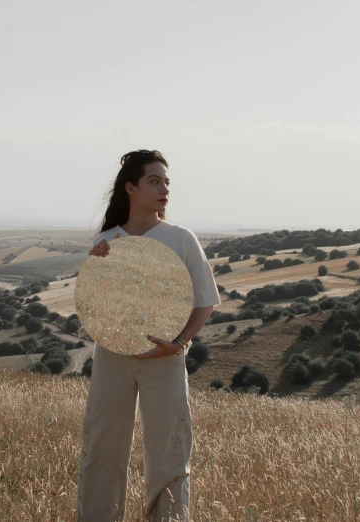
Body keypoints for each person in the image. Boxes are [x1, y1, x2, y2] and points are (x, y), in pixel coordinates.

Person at [76, 150, 222, 522]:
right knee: (102, 449)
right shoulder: (107, 240)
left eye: (167, 182)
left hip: (166, 359)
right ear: (131, 188)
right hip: (112, 356)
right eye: (154, 181)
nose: (164, 189)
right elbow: (93, 305)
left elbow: (204, 302)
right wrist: (95, 265)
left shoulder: (181, 238)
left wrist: (179, 344)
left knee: (170, 453)